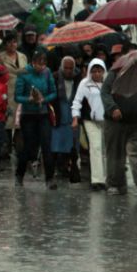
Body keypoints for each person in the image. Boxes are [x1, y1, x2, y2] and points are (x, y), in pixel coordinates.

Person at [100, 65, 137, 198]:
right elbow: (105, 92)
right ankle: (115, 184)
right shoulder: (115, 73)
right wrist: (112, 108)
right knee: (116, 154)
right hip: (116, 122)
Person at [14, 49, 57, 188]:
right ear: (32, 63)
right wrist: (29, 99)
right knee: (29, 146)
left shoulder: (47, 72)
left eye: (44, 64)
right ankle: (19, 174)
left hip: (43, 113)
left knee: (46, 145)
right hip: (28, 115)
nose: (41, 67)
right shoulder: (24, 73)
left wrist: (44, 100)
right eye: (39, 64)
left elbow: (53, 92)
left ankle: (49, 179)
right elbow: (17, 96)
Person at [71, 58, 107, 190]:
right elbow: (77, 101)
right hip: (90, 120)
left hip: (107, 120)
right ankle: (97, 180)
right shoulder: (84, 84)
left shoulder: (109, 83)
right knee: (95, 147)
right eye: (94, 71)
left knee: (106, 149)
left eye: (99, 71)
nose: (97, 74)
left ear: (104, 71)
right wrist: (75, 117)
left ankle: (107, 177)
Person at [51, 56, 82, 184]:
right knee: (56, 143)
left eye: (71, 68)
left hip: (72, 115)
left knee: (72, 145)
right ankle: (57, 168)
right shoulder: (55, 78)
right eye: (66, 68)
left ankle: (69, 167)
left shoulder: (79, 79)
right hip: (59, 114)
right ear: (61, 67)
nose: (69, 71)